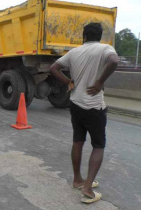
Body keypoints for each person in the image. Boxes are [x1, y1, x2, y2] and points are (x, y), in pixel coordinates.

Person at [50, 23, 119, 204]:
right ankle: (87, 189)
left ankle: (78, 180)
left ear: (84, 36)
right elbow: (114, 61)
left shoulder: (74, 52)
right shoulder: (105, 48)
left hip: (75, 103)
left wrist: (68, 81)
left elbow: (53, 68)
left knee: (78, 141)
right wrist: (99, 82)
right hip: (94, 106)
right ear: (100, 36)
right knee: (98, 146)